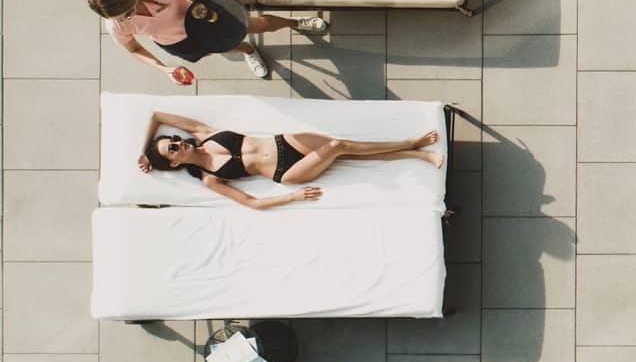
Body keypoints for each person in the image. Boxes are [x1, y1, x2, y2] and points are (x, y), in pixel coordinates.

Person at [138, 111, 445, 210]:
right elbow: (251, 203)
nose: (177, 142)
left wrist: (143, 150)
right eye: (172, 149)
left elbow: (157, 115)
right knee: (339, 146)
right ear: (175, 164)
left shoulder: (204, 134)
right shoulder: (209, 179)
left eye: (173, 140)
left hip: (283, 141)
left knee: (347, 149)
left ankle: (416, 153)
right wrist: (292, 197)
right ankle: (411, 144)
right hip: (286, 171)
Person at [89, 0, 329, 82]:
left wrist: (199, 5)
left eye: (128, 11)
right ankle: (248, 51)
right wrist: (163, 69)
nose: (128, 18)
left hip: (203, 17)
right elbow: (134, 49)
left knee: (260, 24)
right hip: (178, 41)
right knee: (225, 47)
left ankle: (296, 22)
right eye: (122, 18)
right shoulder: (116, 25)